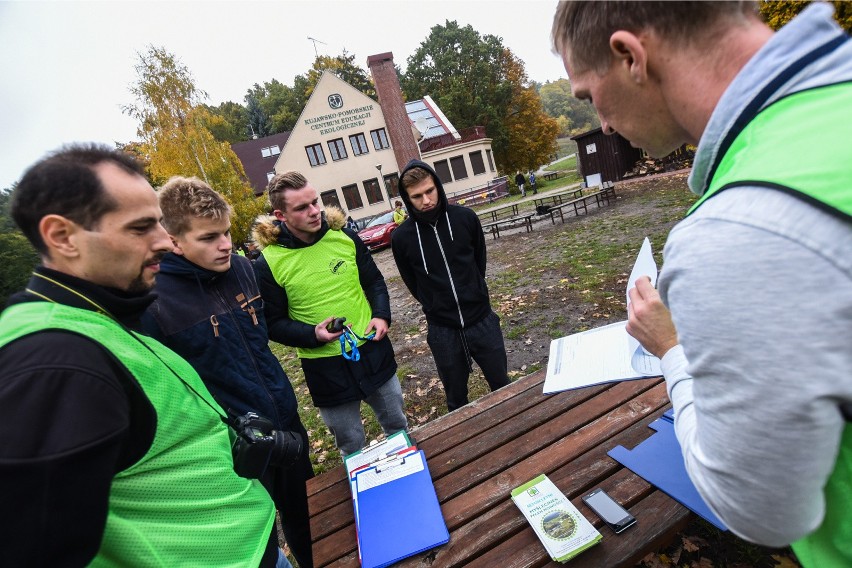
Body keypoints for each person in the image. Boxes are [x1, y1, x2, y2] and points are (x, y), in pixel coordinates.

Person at [553, 3, 851, 566]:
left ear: (630, 57)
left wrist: (672, 349)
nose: (605, 124)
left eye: (590, 96)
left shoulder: (734, 232)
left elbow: (760, 511)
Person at [0, 144, 279, 566]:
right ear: (62, 236)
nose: (166, 242)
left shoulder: (94, 315)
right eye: (141, 227)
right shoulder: (52, 360)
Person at [141, 177, 314, 568]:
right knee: (258, 540)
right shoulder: (153, 302)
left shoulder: (242, 268)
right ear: (174, 240)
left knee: (309, 519)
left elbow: (269, 330)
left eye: (226, 232)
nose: (225, 244)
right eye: (208, 238)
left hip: (285, 422)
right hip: (233, 450)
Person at [253, 171, 408, 456]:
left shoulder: (345, 238)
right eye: (302, 207)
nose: (314, 212)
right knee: (351, 444)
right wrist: (312, 334)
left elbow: (374, 282)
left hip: (371, 348)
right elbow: (272, 324)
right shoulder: (268, 263)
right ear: (281, 214)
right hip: (325, 369)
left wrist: (382, 315)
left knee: (397, 425)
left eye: (315, 202)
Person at [391, 160, 510, 412]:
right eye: (417, 196)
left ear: (438, 187)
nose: (426, 200)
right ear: (406, 198)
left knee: (502, 386)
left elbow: (479, 261)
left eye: (429, 191)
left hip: (481, 320)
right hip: (442, 329)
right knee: (456, 398)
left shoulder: (465, 218)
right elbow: (412, 282)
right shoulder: (401, 238)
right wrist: (434, 303)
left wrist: (473, 292)